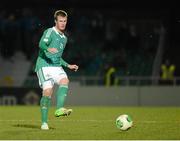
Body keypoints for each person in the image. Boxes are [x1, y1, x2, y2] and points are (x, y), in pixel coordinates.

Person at [34, 10, 79, 130]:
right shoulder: (50, 31)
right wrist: (48, 49)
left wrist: (68, 65)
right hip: (44, 65)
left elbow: (58, 57)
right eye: (60, 21)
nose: (63, 23)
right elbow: (41, 44)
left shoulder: (64, 38)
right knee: (48, 92)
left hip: (56, 65)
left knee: (65, 80)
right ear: (56, 21)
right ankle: (44, 122)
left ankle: (59, 109)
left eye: (65, 21)